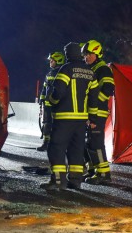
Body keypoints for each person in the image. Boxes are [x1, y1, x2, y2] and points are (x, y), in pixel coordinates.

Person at [40, 42, 99, 191]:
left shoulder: (65, 69)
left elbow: (57, 92)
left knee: (56, 148)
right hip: (80, 120)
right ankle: (75, 181)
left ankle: (58, 181)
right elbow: (94, 98)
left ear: (68, 54)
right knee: (76, 150)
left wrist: (51, 102)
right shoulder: (89, 72)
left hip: (63, 118)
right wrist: (92, 118)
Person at [81, 40, 116, 184]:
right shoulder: (91, 69)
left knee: (96, 143)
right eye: (85, 55)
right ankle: (92, 170)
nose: (86, 57)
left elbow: (108, 89)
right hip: (90, 112)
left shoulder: (103, 69)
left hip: (98, 112)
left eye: (89, 54)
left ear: (97, 54)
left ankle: (103, 174)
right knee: (87, 143)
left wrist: (95, 105)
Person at [37, 51, 65, 151]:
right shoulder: (49, 74)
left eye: (52, 60)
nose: (50, 62)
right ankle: (46, 143)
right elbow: (44, 89)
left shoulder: (62, 74)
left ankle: (57, 145)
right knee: (47, 124)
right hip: (48, 105)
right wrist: (41, 101)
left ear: (58, 61)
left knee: (57, 126)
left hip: (58, 106)